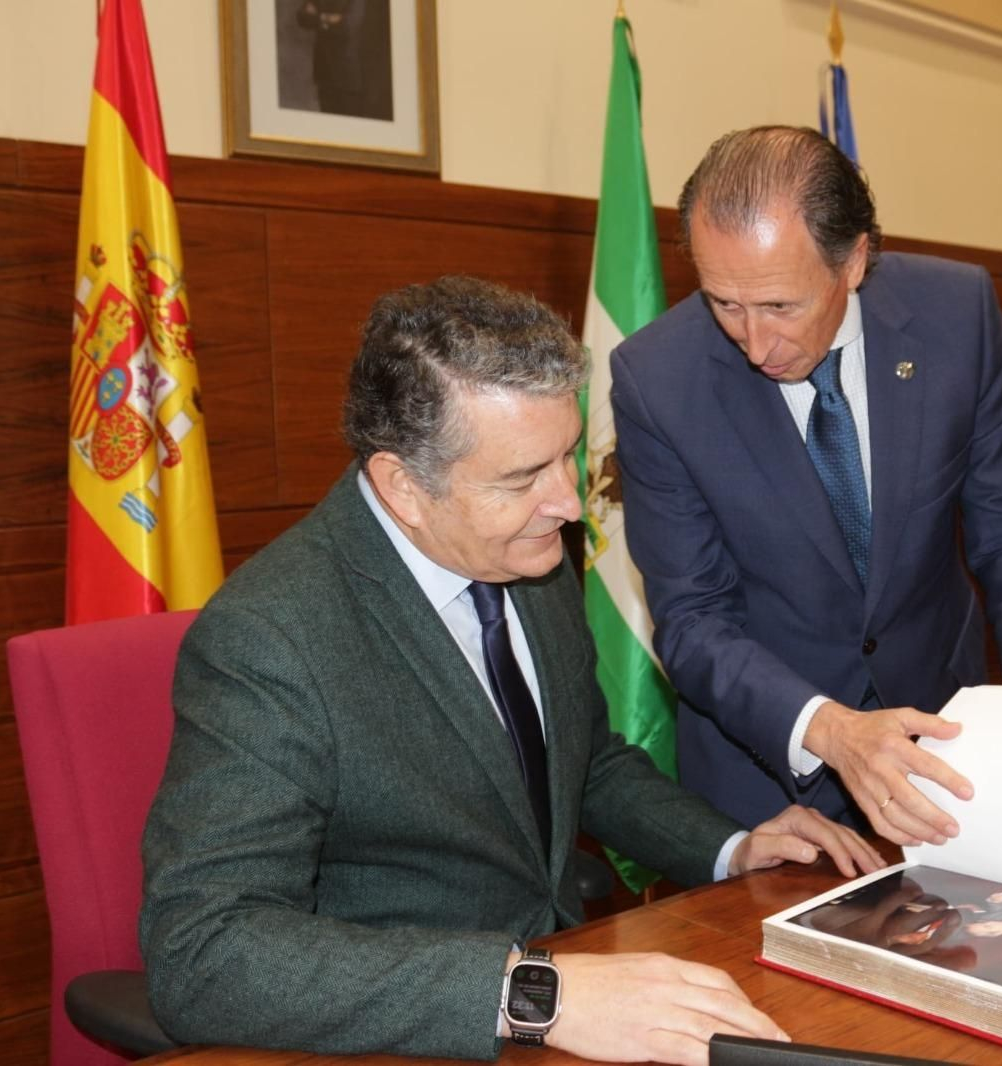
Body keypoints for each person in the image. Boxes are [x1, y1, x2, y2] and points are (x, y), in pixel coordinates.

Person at [139, 276, 882, 1064]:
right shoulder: (273, 639)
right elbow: (202, 951)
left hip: (567, 984)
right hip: (396, 1033)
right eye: (523, 477)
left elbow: (582, 760)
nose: (568, 504)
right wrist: (531, 992)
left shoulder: (525, 554)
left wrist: (731, 848)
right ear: (404, 489)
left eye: (566, 456)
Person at [610, 126, 1002, 848]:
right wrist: (829, 730)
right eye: (723, 303)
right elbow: (693, 617)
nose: (753, 343)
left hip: (942, 750)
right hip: (768, 784)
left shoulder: (956, 315)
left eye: (779, 306)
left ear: (855, 260)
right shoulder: (657, 378)